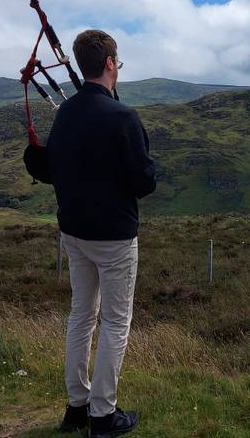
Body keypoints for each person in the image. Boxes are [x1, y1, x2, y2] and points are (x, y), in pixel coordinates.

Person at [46, 29, 156, 437]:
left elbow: (53, 166)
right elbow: (144, 182)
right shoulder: (123, 117)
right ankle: (102, 415)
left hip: (73, 232)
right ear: (110, 63)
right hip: (113, 236)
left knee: (81, 315)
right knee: (114, 322)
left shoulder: (66, 113)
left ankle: (76, 407)